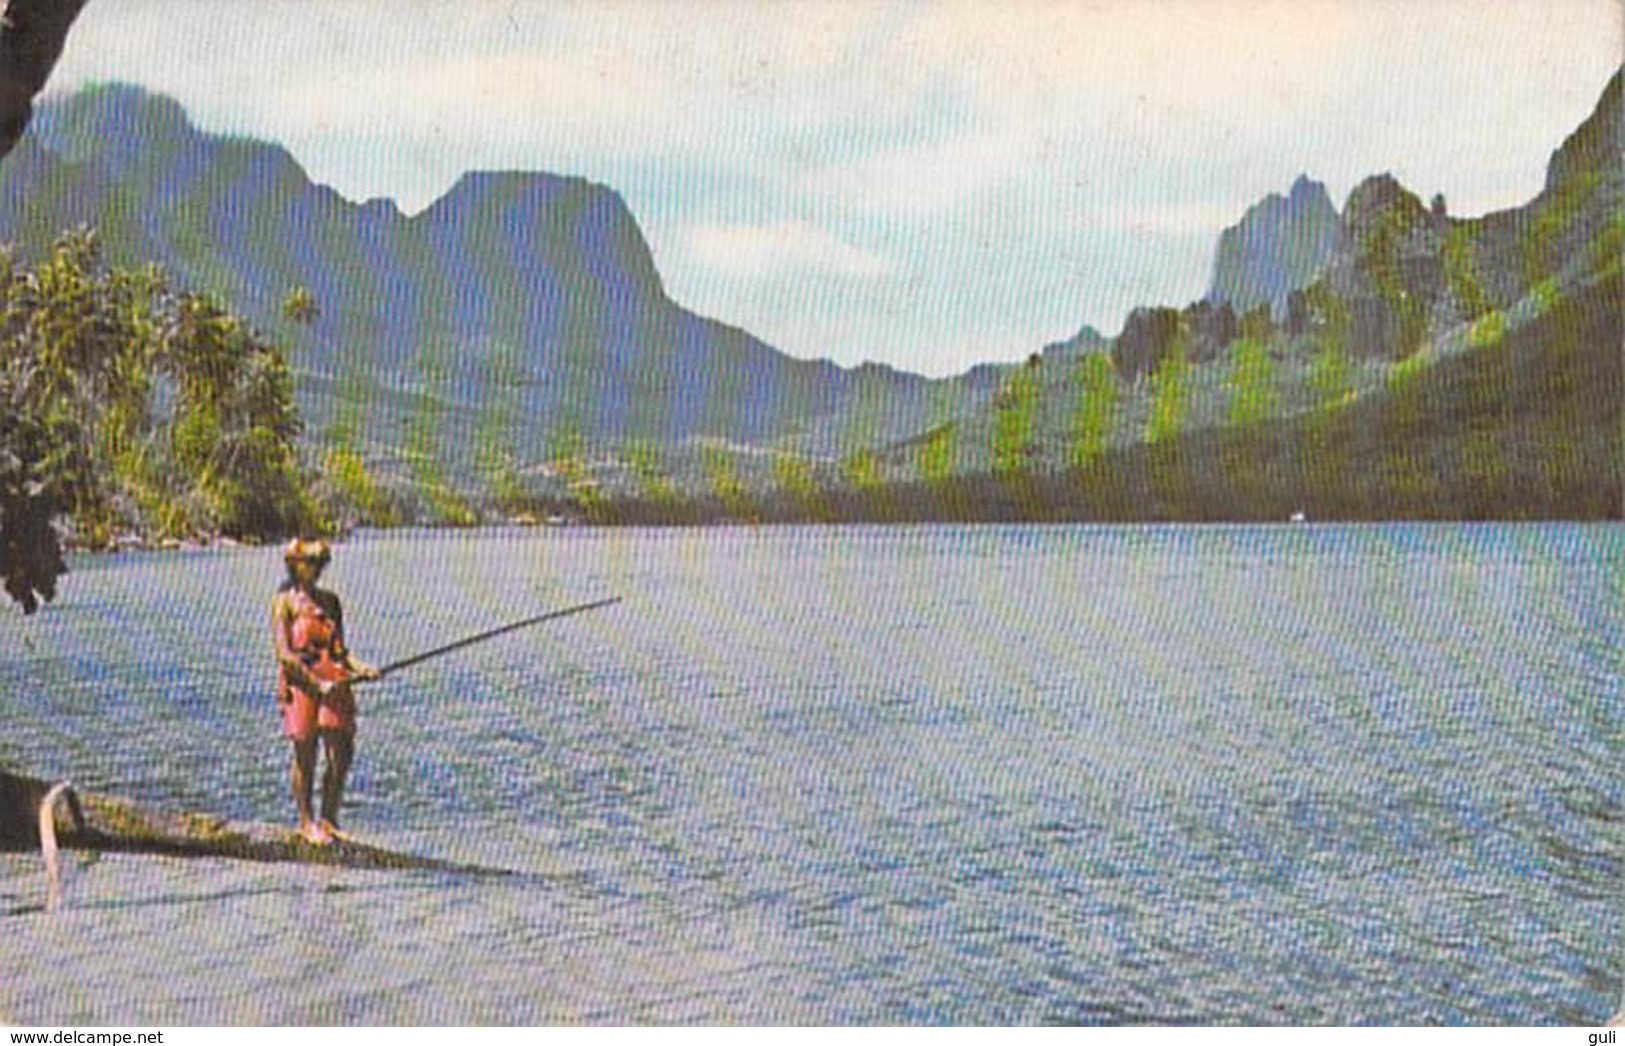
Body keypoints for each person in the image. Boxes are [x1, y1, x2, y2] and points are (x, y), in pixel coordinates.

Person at [272, 537, 379, 844]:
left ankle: (330, 819)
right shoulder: (285, 602)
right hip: (301, 681)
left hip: (335, 680)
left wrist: (363, 669)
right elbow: (285, 655)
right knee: (305, 751)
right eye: (312, 563)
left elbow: (342, 652)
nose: (318, 570)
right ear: (296, 566)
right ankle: (307, 823)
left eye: (322, 563)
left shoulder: (331, 602)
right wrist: (316, 683)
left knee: (342, 751)